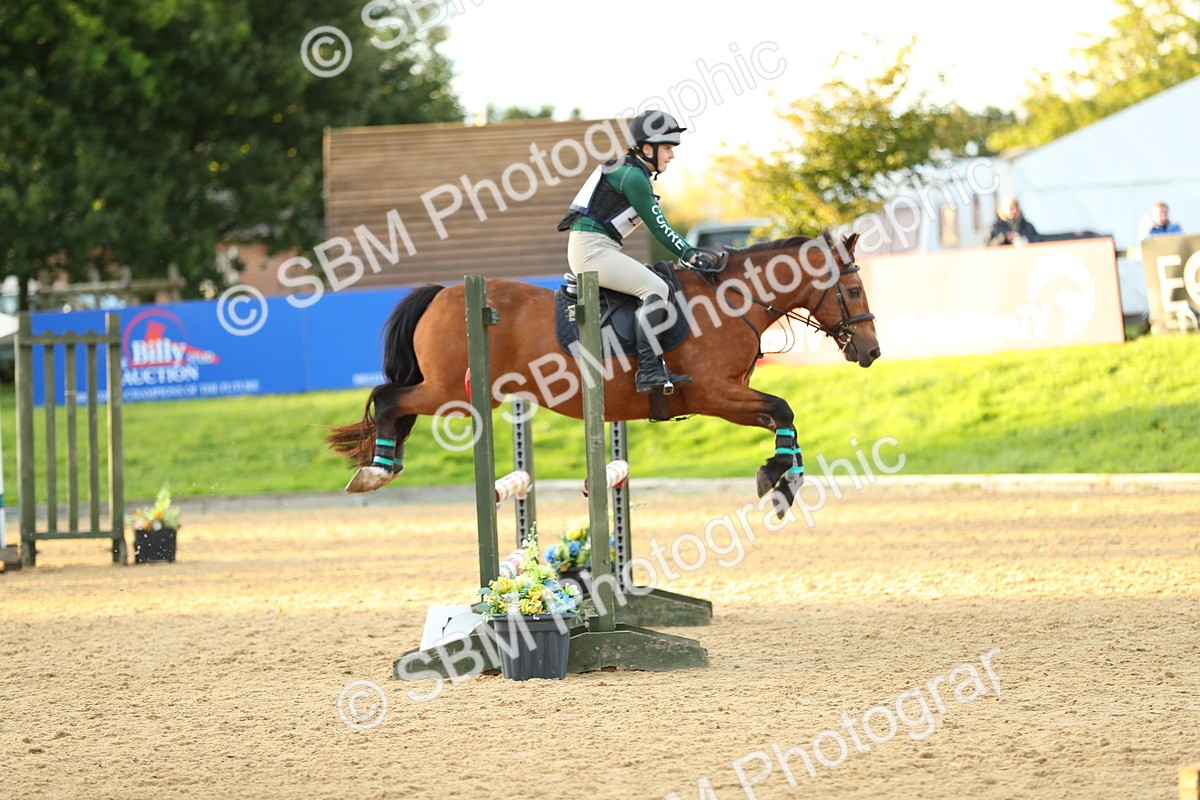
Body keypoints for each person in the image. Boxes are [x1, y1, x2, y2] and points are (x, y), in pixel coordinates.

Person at [557, 109, 713, 394]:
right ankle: (649, 371)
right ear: (646, 148)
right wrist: (691, 254)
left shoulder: (629, 170)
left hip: (595, 246)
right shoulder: (632, 177)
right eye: (667, 148)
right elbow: (660, 227)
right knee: (656, 288)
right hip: (592, 250)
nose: (672, 155)